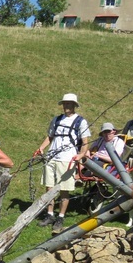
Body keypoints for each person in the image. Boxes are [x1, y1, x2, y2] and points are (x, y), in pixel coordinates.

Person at [36, 93, 91, 234]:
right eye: (65, 103)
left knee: (64, 189)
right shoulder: (57, 119)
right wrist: (42, 147)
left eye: (69, 104)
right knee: (49, 187)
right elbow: (50, 136)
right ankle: (50, 214)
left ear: (74, 106)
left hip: (67, 158)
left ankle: (60, 217)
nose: (66, 106)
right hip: (52, 156)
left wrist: (81, 154)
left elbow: (85, 142)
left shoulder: (81, 121)